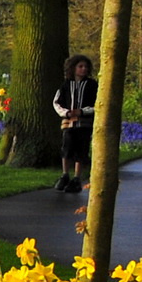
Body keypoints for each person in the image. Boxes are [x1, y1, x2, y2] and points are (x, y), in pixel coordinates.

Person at [51, 55, 97, 193]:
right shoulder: (65, 85)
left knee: (81, 149)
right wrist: (66, 113)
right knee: (67, 147)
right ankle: (65, 175)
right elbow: (56, 102)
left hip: (84, 123)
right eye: (80, 66)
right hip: (68, 123)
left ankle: (77, 178)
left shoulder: (92, 85)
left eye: (85, 67)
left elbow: (98, 104)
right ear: (73, 68)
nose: (83, 69)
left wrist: (82, 111)